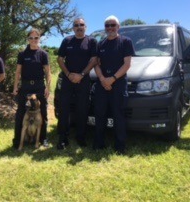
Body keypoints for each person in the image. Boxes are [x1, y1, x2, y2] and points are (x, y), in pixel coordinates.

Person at [93, 15, 135, 154]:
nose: (110, 28)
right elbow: (96, 64)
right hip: (102, 84)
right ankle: (99, 143)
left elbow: (127, 64)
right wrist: (102, 79)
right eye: (107, 25)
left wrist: (112, 79)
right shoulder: (101, 44)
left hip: (118, 83)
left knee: (118, 115)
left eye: (112, 25)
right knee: (100, 114)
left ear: (118, 27)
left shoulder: (125, 42)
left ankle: (120, 146)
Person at [56, 18, 97, 150]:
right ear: (73, 28)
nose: (79, 27)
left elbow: (94, 60)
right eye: (76, 25)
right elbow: (60, 59)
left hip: (84, 80)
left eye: (81, 25)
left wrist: (81, 75)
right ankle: (63, 138)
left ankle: (81, 137)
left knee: (82, 109)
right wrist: (68, 74)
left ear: (86, 26)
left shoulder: (91, 41)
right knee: (64, 109)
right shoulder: (67, 41)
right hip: (68, 79)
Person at [12, 28, 51, 149]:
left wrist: (48, 88)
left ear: (39, 39)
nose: (34, 40)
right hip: (26, 86)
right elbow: (18, 72)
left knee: (43, 113)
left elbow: (48, 73)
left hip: (39, 86)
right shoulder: (22, 54)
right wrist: (15, 87)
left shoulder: (43, 54)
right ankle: (18, 140)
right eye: (31, 38)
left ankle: (43, 139)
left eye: (36, 38)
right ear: (28, 39)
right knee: (20, 114)